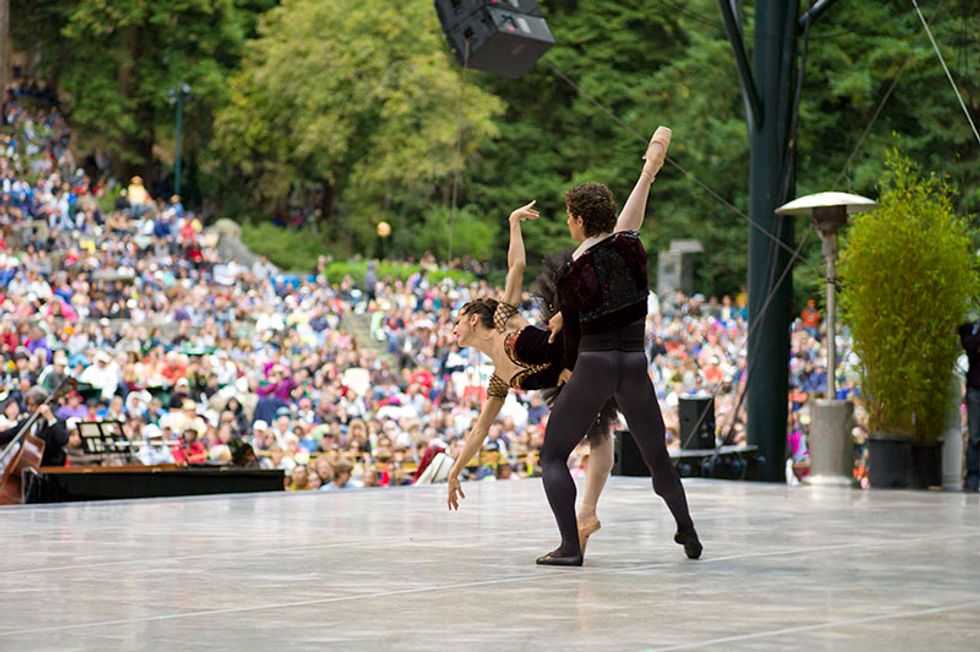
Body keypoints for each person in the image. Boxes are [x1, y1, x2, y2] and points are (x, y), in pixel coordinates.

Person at [539, 126, 700, 566]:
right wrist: (649, 172)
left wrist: (565, 366)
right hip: (633, 363)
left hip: (594, 364)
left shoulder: (572, 271)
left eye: (569, 216)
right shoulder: (632, 250)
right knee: (657, 458)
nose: (567, 222)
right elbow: (629, 225)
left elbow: (573, 334)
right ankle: (686, 529)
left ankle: (570, 547)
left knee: (552, 455)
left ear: (578, 220)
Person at [448, 202, 618, 554]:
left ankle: (584, 519)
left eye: (457, 321)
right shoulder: (499, 381)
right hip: (577, 380)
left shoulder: (502, 320)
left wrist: (513, 222)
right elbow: (480, 430)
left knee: (596, 437)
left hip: (584, 344)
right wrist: (455, 471)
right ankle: (586, 515)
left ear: (473, 319)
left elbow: (517, 266)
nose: (453, 330)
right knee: (599, 433)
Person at [0, 387, 69, 467]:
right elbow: (9, 434)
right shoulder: (27, 421)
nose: (29, 409)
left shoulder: (56, 421)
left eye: (32, 405)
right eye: (27, 405)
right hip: (30, 466)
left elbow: (63, 440)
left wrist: (50, 418)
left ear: (41, 404)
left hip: (51, 467)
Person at [958, 318, 980, 492]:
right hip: (975, 389)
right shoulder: (971, 328)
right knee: (975, 437)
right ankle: (972, 477)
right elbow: (971, 348)